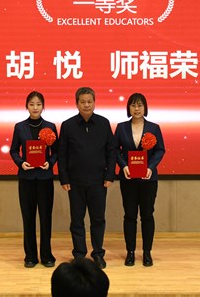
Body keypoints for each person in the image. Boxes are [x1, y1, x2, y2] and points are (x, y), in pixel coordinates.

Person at [58, 87, 117, 269]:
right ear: (76, 104)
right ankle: (79, 255)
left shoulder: (103, 123)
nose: (86, 105)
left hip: (99, 181)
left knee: (98, 219)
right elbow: (62, 154)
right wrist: (64, 178)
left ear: (94, 103)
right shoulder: (68, 125)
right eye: (82, 102)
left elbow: (111, 151)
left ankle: (98, 254)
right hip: (75, 182)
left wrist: (109, 175)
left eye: (89, 101)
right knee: (77, 220)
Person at [114, 93, 165, 267]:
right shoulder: (121, 128)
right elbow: (115, 150)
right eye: (133, 105)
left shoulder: (154, 128)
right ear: (128, 108)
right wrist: (123, 165)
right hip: (128, 179)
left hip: (148, 179)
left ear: (145, 107)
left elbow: (160, 150)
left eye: (140, 105)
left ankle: (147, 252)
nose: (137, 109)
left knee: (147, 215)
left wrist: (150, 167)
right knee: (129, 216)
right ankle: (130, 252)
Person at [9, 91, 58, 268]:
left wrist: (49, 162)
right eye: (32, 104)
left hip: (45, 178)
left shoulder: (50, 127)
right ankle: (30, 255)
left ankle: (46, 255)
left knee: (45, 218)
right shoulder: (19, 127)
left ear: (43, 107)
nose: (35, 107)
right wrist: (21, 163)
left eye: (38, 104)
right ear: (26, 106)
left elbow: (56, 151)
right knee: (28, 218)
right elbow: (14, 150)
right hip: (26, 178)